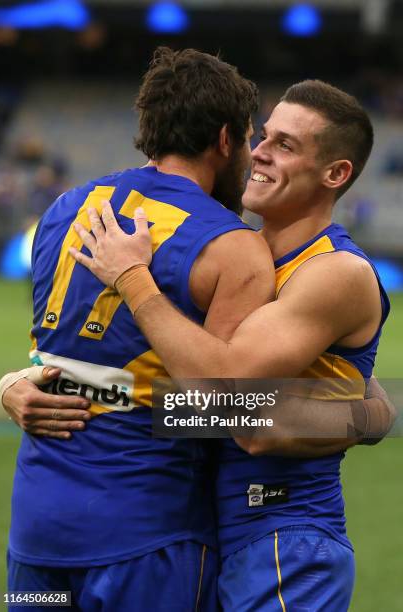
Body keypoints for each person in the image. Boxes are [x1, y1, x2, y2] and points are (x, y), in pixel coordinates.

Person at [67, 80, 392, 611]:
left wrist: (133, 279)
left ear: (335, 174)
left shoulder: (335, 271)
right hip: (211, 536)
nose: (258, 151)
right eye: (263, 136)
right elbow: (177, 386)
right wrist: (29, 383)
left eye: (285, 144)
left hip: (284, 536)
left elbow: (229, 405)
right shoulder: (240, 255)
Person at [0, 47, 275, 612]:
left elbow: (54, 359)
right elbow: (221, 409)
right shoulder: (233, 245)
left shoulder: (63, 208)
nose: (251, 157)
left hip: (37, 529)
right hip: (148, 535)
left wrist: (16, 383)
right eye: (249, 140)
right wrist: (363, 409)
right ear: (225, 140)